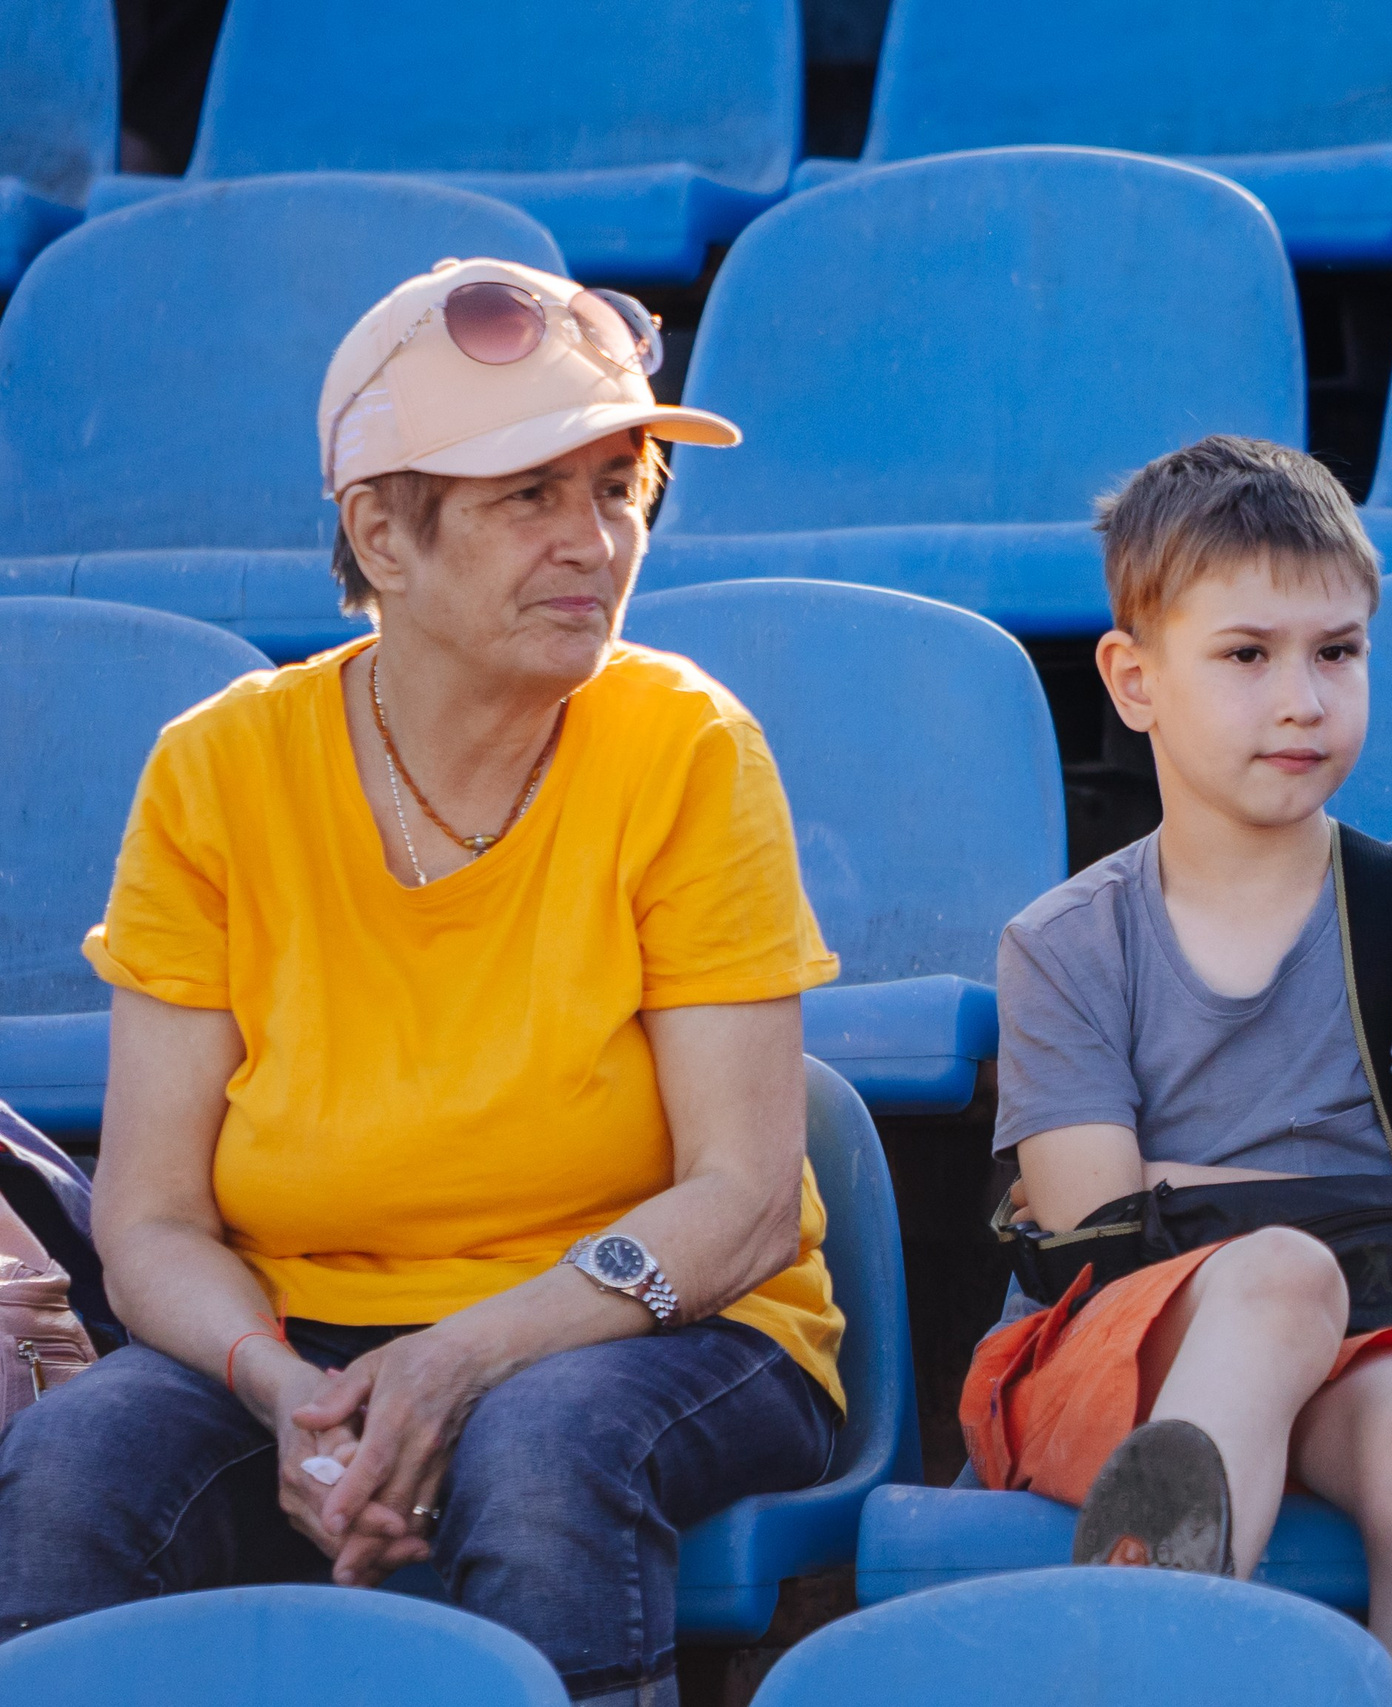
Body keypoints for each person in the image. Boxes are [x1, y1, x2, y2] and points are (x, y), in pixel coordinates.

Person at [0, 258, 846, 1707]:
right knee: (80, 1460)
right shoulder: (219, 769)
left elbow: (748, 1194)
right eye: (532, 496)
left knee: (537, 1448)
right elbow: (147, 1216)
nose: (597, 540)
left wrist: (460, 1360)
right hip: (300, 1333)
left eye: (620, 486)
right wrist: (284, 1391)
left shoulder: (688, 745)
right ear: (382, 535)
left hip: (649, 1324)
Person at [966, 436, 1392, 1707]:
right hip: (1100, 1349)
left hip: (1380, 1336)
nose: (1303, 700)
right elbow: (1092, 1224)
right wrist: (1306, 1222)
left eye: (1338, 652)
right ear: (1133, 679)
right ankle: (1159, 1665)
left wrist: (1197, 1190)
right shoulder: (1062, 944)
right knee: (1278, 1274)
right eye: (1245, 655)